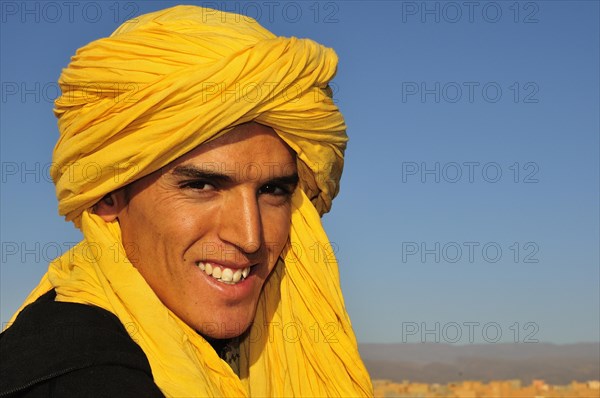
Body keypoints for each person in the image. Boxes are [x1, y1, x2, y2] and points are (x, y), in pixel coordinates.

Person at [0, 5, 373, 397]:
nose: (249, 237)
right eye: (201, 187)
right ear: (107, 195)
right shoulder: (79, 379)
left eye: (273, 191)